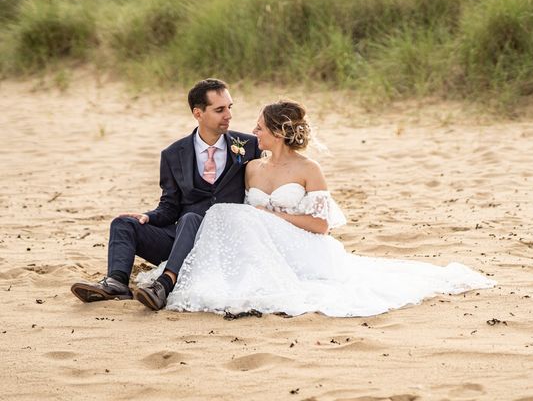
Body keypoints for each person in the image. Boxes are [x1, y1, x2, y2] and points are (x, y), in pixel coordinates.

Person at [138, 100, 495, 317]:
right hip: (260, 243)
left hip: (301, 242)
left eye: (259, 127)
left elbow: (321, 225)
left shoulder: (309, 170)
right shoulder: (252, 167)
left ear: (277, 133)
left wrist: (272, 217)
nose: (253, 132)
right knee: (221, 216)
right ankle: (179, 278)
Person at [70, 78, 261, 310]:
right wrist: (148, 217)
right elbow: (170, 206)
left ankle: (163, 285)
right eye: (220, 109)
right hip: (183, 238)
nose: (228, 115)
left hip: (228, 239)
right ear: (198, 113)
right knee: (123, 223)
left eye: (229, 107)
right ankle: (116, 283)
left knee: (190, 219)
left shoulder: (250, 146)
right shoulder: (173, 154)